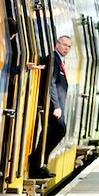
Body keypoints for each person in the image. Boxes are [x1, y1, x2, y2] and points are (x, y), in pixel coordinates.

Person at [34, 34, 71, 177]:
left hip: (56, 106)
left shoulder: (59, 60)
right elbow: (51, 83)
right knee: (59, 129)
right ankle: (39, 162)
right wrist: (56, 106)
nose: (66, 48)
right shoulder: (53, 59)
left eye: (69, 46)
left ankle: (41, 164)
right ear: (57, 45)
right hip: (52, 106)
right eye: (64, 45)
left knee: (49, 133)